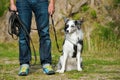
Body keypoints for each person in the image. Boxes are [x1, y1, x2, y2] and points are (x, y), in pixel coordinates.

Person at [10, 0, 55, 76]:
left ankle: (46, 63)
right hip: (22, 2)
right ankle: (24, 64)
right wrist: (12, 3)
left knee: (44, 33)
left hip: (42, 2)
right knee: (23, 34)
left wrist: (51, 3)